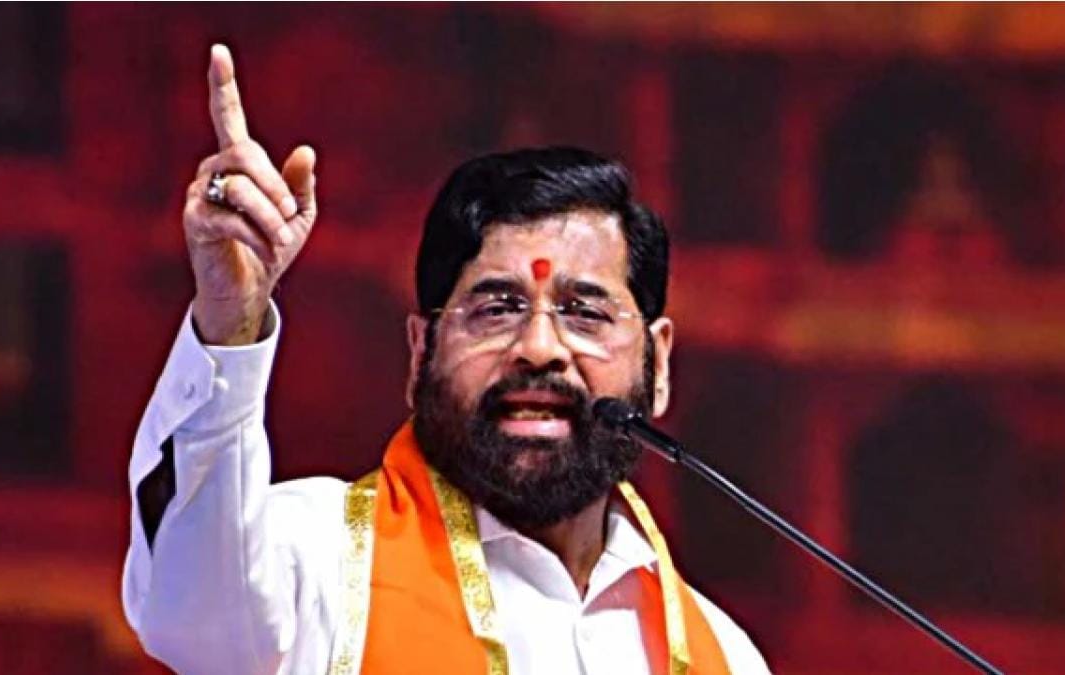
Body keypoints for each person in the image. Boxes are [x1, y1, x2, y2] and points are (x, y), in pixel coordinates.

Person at [122, 44, 770, 675]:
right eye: (497, 309)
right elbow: (194, 611)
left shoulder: (725, 655)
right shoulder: (315, 561)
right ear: (420, 353)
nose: (539, 347)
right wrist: (229, 323)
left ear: (659, 360)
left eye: (584, 312)